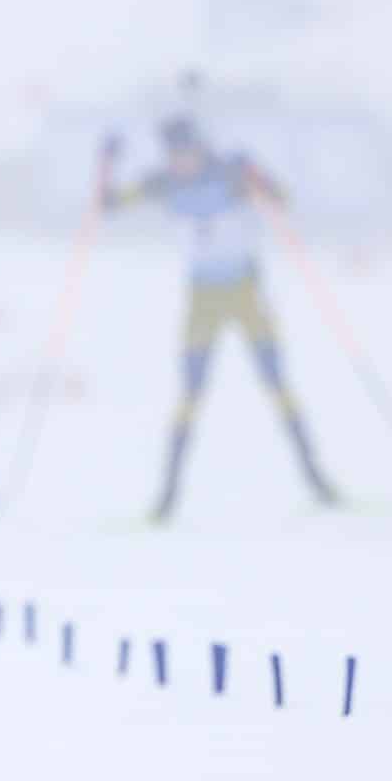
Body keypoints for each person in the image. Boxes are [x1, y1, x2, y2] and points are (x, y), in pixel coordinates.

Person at [97, 116, 337, 522]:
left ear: (200, 149)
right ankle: (166, 499)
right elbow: (109, 205)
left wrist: (256, 173)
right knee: (190, 395)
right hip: (202, 299)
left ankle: (318, 482)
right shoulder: (163, 182)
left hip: (246, 292)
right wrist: (107, 162)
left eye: (186, 155)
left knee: (277, 385)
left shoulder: (230, 173)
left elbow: (280, 198)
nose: (180, 164)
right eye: (173, 156)